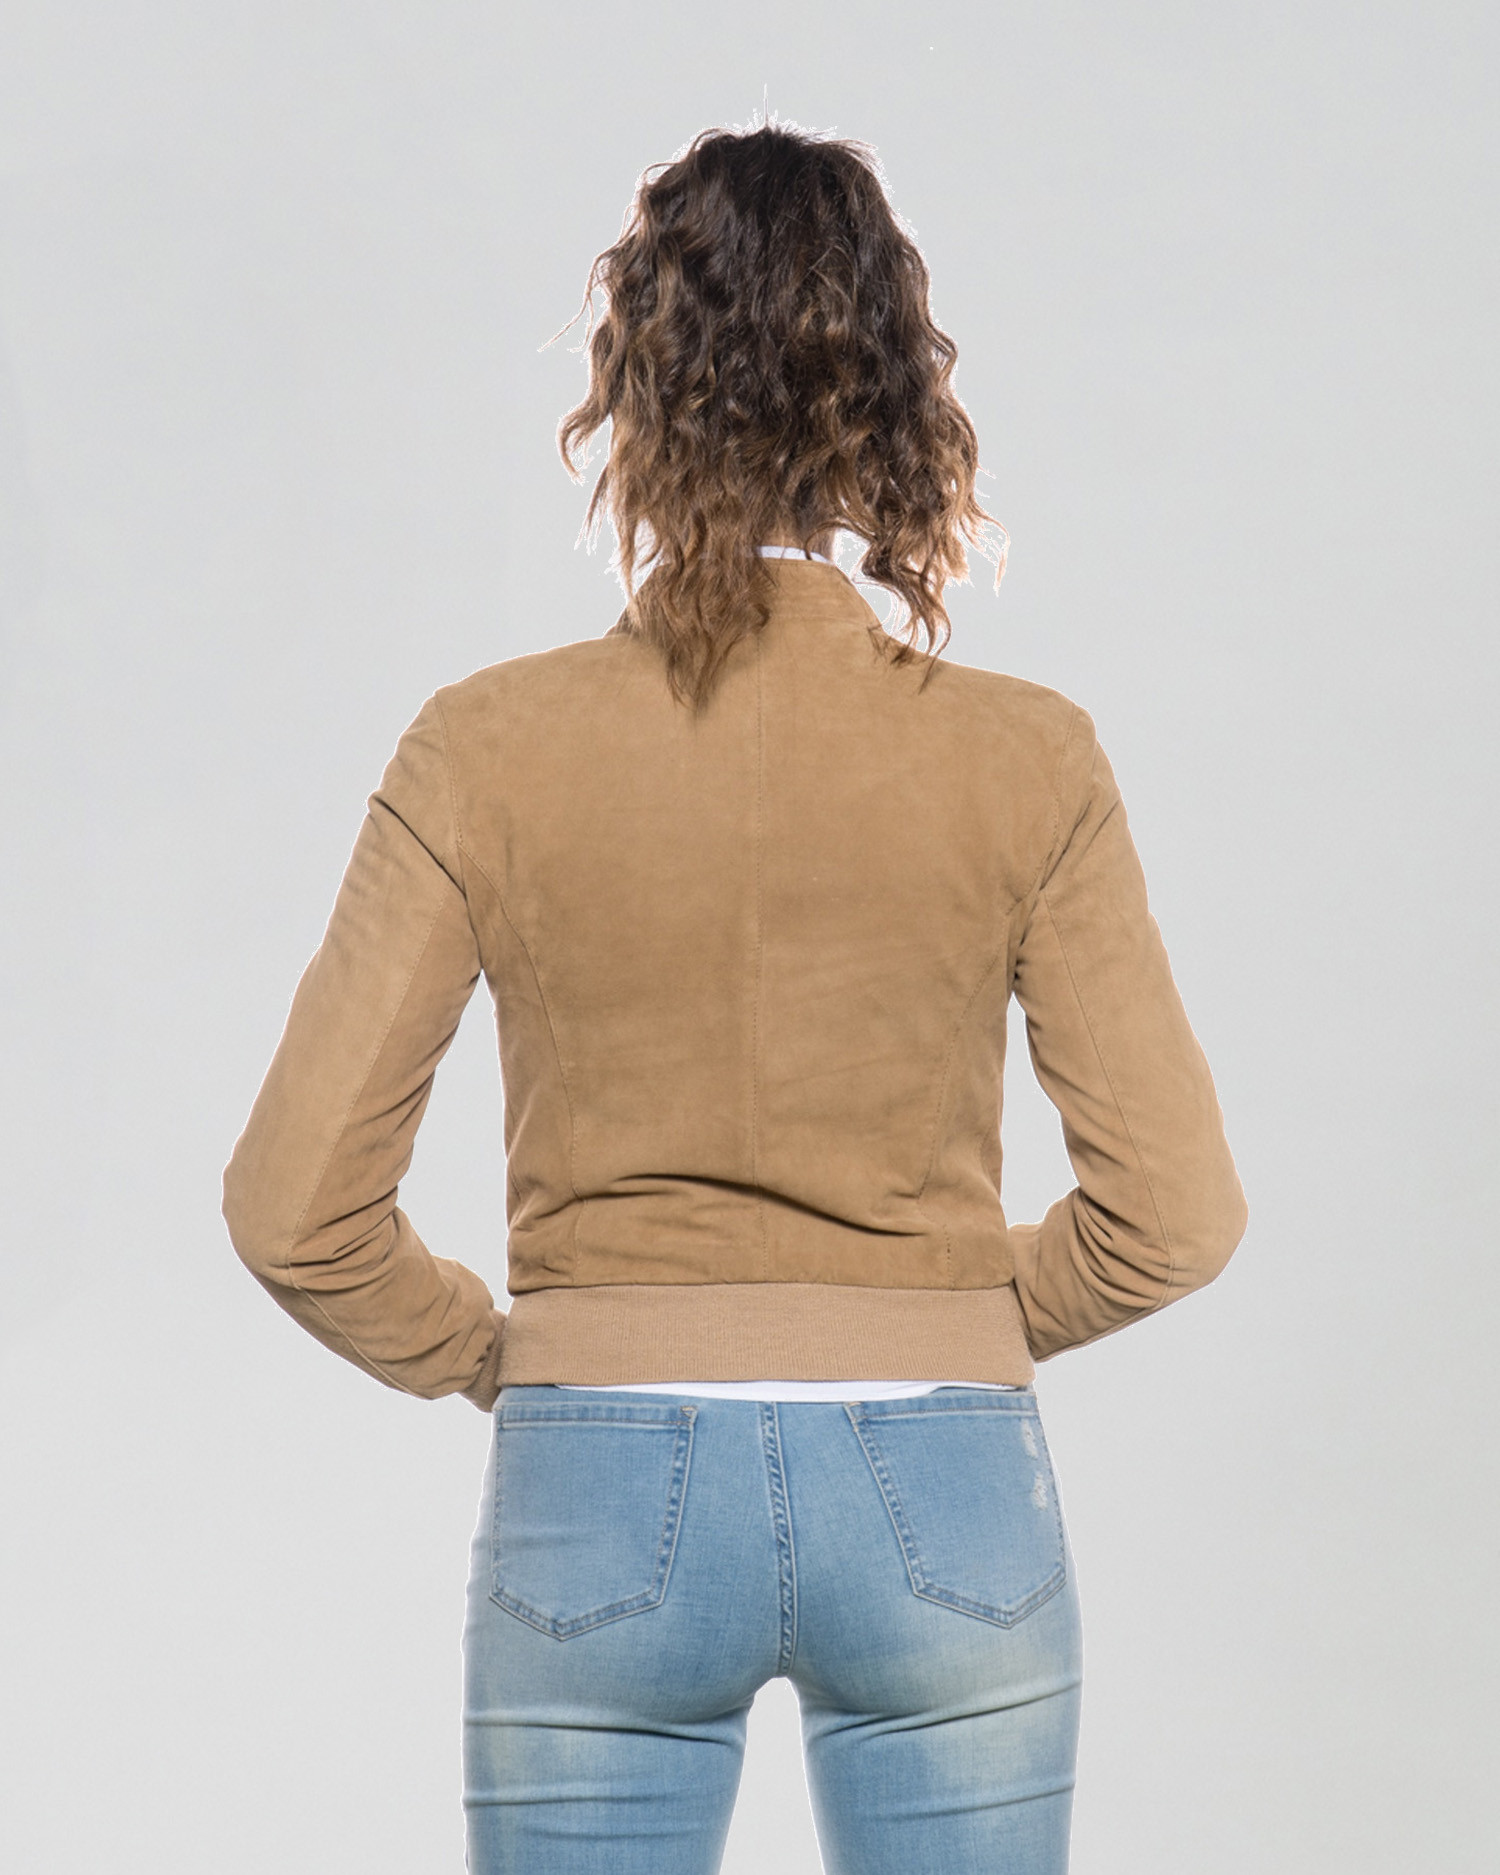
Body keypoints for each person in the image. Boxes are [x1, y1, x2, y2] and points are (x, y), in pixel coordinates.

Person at [222, 120, 1248, 1875]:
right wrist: (937, 1314)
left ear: (635, 396)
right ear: (894, 404)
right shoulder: (1032, 760)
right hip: (946, 1499)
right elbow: (1180, 1218)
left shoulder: (484, 747)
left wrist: (506, 1355)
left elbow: (291, 1208)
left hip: (597, 1485)